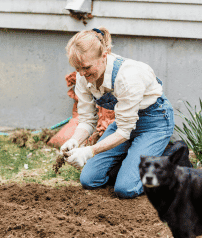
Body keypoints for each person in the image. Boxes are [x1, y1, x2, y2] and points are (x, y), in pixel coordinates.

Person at [60, 27, 174, 198]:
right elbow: (87, 120)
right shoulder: (83, 78)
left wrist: (89, 151)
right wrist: (75, 141)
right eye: (77, 69)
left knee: (125, 188)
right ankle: (131, 164)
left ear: (104, 55)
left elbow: (123, 132)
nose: (82, 74)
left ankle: (172, 158)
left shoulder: (127, 77)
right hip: (124, 123)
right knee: (89, 179)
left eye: (86, 67)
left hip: (154, 123)